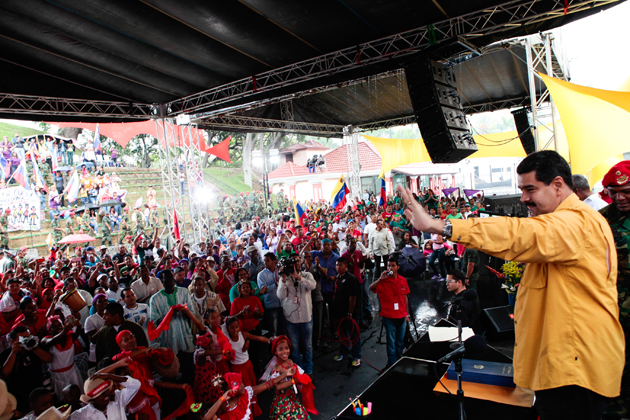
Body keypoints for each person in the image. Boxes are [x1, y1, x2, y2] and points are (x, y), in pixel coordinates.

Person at [398, 150, 624, 420]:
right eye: (522, 189)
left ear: (558, 185)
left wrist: (441, 226)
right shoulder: (570, 222)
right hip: (568, 366)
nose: (523, 198)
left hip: (574, 372)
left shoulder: (576, 223)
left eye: (531, 189)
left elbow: (519, 233)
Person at [599, 160, 630, 417]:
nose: (619, 198)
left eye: (626, 191)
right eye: (613, 192)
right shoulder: (601, 220)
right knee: (616, 373)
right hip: (615, 314)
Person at [149, 270, 204, 384]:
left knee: (189, 370)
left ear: (173, 278)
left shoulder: (184, 292)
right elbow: (155, 323)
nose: (168, 280)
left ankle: (190, 394)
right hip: (169, 340)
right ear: (161, 282)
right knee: (171, 374)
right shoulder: (155, 299)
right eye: (164, 278)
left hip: (185, 337)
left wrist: (184, 311)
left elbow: (192, 313)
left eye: (169, 277)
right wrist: (171, 313)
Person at [222, 316, 270, 417]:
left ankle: (252, 409)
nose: (235, 330)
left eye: (236, 327)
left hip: (248, 367)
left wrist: (269, 341)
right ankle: (245, 412)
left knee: (251, 389)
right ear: (228, 329)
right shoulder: (228, 342)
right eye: (232, 328)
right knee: (243, 391)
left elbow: (257, 338)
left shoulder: (243, 335)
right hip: (237, 370)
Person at [0, 326, 52, 416]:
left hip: (37, 393)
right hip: (18, 395)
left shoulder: (35, 347)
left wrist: (33, 347)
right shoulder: (6, 354)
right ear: (14, 340)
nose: (26, 340)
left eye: (28, 337)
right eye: (23, 338)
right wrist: (13, 353)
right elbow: (4, 373)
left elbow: (49, 358)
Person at [369, 255, 410, 368]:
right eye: (388, 266)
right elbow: (371, 288)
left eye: (393, 266)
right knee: (391, 342)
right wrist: (380, 279)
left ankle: (398, 360)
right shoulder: (383, 281)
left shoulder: (403, 280)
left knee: (400, 341)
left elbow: (405, 297)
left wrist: (407, 314)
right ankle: (392, 364)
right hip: (388, 316)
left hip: (401, 315)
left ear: (398, 267)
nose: (390, 268)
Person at [277, 256, 316, 375]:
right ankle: (300, 372)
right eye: (292, 262)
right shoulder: (284, 278)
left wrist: (298, 278)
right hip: (291, 320)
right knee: (294, 348)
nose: (295, 264)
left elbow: (312, 286)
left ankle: (308, 371)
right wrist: (283, 279)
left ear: (300, 263)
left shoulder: (307, 275)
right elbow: (281, 296)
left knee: (308, 347)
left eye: (297, 262)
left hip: (306, 317)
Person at [70, 359, 141, 420]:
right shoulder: (82, 414)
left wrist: (110, 376)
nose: (107, 394)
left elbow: (136, 385)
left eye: (107, 390)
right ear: (92, 399)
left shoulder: (118, 399)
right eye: (102, 393)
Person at [332, 257, 361, 367]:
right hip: (340, 312)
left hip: (350, 313)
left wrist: (350, 313)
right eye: (337, 265)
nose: (338, 267)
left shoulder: (351, 279)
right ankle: (343, 352)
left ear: (346, 266)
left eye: (340, 265)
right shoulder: (337, 278)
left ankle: (356, 356)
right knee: (343, 333)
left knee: (354, 334)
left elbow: (352, 297)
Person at [257, 252, 284, 337]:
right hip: (271, 306)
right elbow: (263, 290)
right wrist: (276, 284)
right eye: (264, 261)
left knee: (284, 330)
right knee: (273, 332)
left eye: (267, 260)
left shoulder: (280, 271)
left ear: (273, 261)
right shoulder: (261, 275)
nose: (265, 263)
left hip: (283, 304)